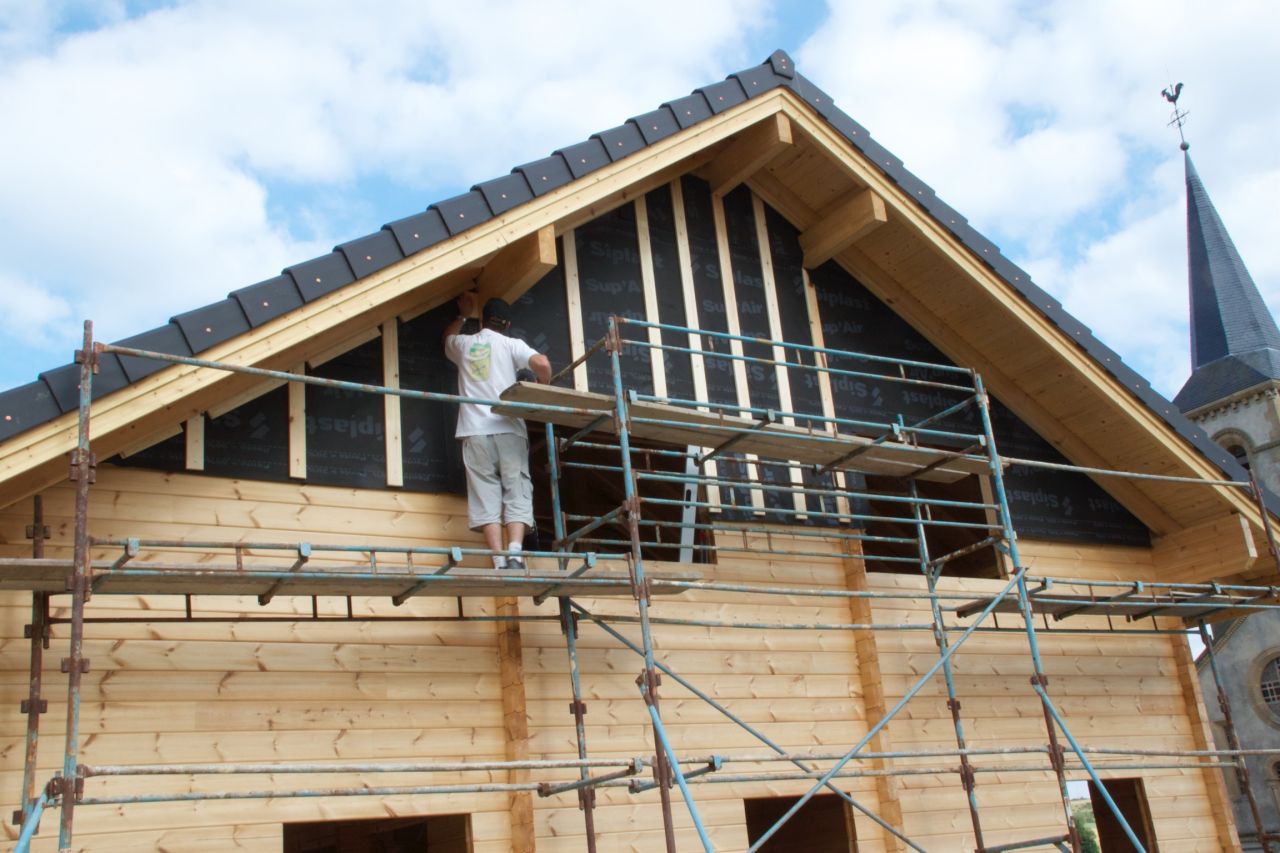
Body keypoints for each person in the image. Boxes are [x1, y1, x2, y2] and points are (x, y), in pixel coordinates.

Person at [443, 293, 551, 569]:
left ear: (483, 320)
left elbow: (447, 338)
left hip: (475, 431)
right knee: (517, 489)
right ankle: (515, 553)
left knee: (484, 493)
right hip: (509, 429)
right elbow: (542, 364)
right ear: (508, 323)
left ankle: (498, 560)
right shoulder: (511, 344)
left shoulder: (465, 344)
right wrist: (542, 388)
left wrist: (463, 315)